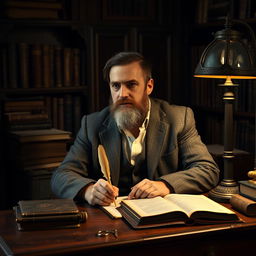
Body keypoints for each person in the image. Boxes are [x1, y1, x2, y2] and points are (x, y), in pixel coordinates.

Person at [51, 52, 220, 206]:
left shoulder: (179, 118)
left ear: (149, 86)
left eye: (131, 84)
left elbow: (207, 170)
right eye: (115, 86)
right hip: (110, 222)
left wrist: (164, 185)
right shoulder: (92, 124)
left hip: (162, 220)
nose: (122, 94)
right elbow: (61, 176)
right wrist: (88, 191)